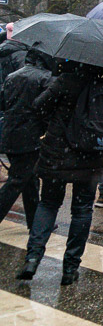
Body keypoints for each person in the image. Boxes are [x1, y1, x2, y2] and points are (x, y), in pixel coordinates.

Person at [20, 61, 103, 286]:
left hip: (58, 152)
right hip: (92, 155)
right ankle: (70, 268)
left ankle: (33, 257)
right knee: (82, 210)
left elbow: (39, 107)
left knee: (47, 204)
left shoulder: (66, 79)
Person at [0, 47, 53, 230]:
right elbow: (45, 110)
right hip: (30, 136)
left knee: (29, 179)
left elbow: (3, 102)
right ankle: (34, 221)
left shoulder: (12, 76)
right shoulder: (45, 78)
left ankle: (34, 221)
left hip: (10, 133)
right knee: (17, 180)